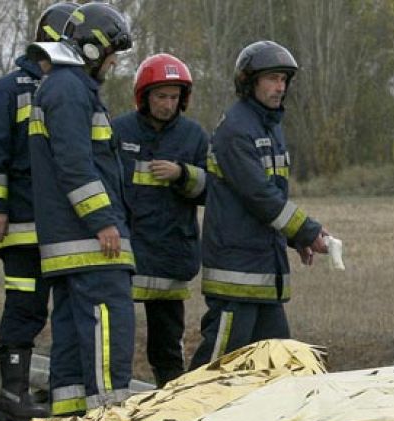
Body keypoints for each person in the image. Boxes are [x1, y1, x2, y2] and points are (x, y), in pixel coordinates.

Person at [189, 41, 328, 369]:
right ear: (249, 82)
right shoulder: (236, 130)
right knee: (215, 367)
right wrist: (308, 232)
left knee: (279, 367)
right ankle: (182, 417)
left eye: (283, 79)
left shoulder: (271, 126)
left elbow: (275, 196)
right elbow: (260, 196)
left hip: (265, 274)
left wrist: (294, 239)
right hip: (236, 274)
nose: (280, 87)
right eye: (272, 79)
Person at [27, 2, 136, 416]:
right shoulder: (71, 89)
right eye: (111, 55)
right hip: (90, 241)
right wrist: (103, 221)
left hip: (68, 241)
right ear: (92, 49)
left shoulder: (60, 87)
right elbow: (76, 165)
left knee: (73, 332)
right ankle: (110, 420)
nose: (111, 64)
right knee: (110, 325)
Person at [0, 2, 77, 421]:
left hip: (63, 227)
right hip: (21, 224)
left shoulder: (72, 87)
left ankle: (61, 389)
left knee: (68, 311)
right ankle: (12, 395)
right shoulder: (9, 88)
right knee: (25, 307)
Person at [112, 53, 208, 387]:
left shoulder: (194, 136)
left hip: (171, 252)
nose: (168, 104)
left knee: (168, 344)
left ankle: (170, 398)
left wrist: (182, 174)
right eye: (160, 96)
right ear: (144, 96)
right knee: (116, 336)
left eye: (174, 97)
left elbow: (212, 190)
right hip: (127, 252)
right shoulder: (118, 131)